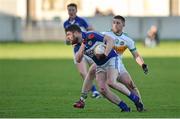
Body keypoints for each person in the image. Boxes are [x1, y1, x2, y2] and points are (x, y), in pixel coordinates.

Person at [65, 24, 144, 112]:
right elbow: (78, 59)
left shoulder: (91, 35)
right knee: (102, 90)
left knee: (111, 82)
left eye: (69, 34)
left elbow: (110, 40)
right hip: (100, 65)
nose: (68, 37)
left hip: (112, 59)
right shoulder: (77, 46)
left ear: (76, 33)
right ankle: (124, 107)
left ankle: (135, 100)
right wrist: (83, 46)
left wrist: (105, 54)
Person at [103, 15, 148, 111]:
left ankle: (141, 106)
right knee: (103, 90)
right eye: (114, 22)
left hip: (118, 65)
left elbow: (136, 55)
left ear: (123, 24)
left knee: (131, 84)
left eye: (118, 23)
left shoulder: (127, 39)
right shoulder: (104, 34)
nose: (115, 25)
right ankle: (123, 106)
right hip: (104, 66)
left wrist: (142, 64)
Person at [63, 3, 100, 98]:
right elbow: (68, 40)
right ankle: (95, 91)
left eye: (72, 10)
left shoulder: (82, 21)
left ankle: (104, 87)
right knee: (83, 72)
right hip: (77, 50)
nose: (71, 12)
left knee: (97, 71)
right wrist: (67, 41)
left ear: (76, 10)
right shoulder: (66, 24)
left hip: (88, 48)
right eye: (69, 10)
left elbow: (91, 31)